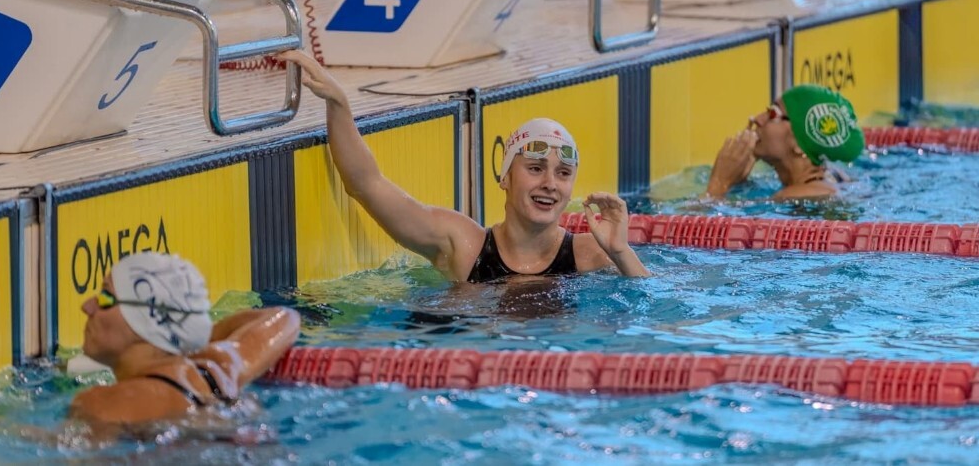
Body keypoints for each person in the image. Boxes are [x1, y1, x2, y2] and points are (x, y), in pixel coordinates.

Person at [279, 50, 649, 281]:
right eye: (535, 168)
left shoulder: (590, 254)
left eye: (563, 173)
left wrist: (621, 252)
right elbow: (367, 185)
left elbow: (649, 310)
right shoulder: (463, 245)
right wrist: (339, 105)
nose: (550, 183)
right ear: (504, 177)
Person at [68, 252, 299, 427]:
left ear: (147, 321)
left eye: (106, 298)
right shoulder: (217, 372)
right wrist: (182, 334)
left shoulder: (101, 405)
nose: (87, 306)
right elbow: (285, 317)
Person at [706, 84, 865, 200]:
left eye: (772, 114)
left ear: (799, 144)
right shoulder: (835, 176)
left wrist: (719, 183)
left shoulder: (793, 196)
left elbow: (705, 224)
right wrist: (738, 182)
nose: (757, 119)